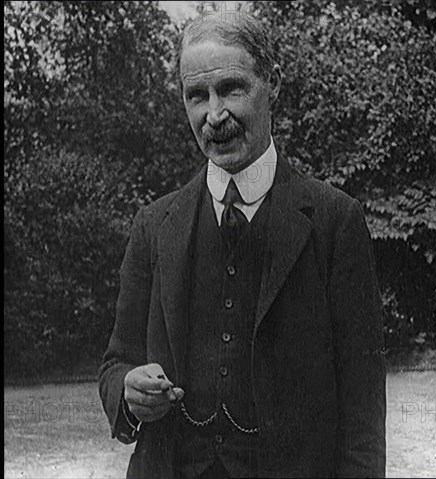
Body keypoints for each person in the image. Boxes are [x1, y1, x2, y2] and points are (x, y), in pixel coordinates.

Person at [98, 10, 386, 479]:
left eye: (232, 88)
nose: (214, 115)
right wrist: (128, 392)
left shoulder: (335, 222)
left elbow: (363, 412)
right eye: (197, 96)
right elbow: (116, 363)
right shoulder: (154, 225)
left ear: (271, 85)